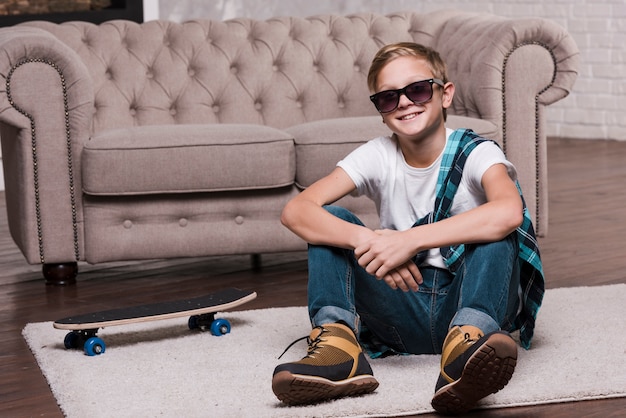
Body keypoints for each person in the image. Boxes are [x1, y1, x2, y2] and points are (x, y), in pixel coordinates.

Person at [271, 42, 544, 415]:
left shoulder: (478, 152)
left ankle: (464, 352)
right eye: (388, 98)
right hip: (399, 307)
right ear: (381, 111)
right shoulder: (377, 154)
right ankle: (339, 350)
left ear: (445, 94)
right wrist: (373, 244)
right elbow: (297, 211)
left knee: (495, 228)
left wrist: (407, 240)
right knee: (331, 222)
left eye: (417, 90)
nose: (404, 103)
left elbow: (510, 211)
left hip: (463, 305)